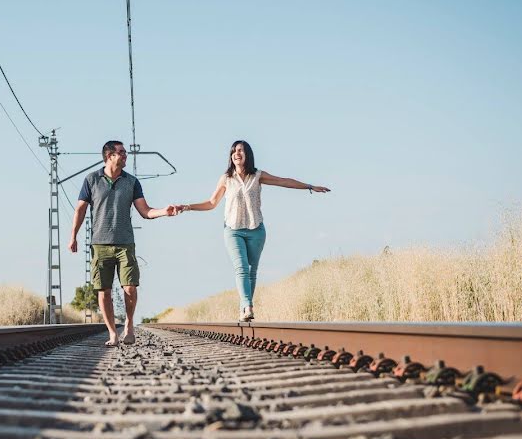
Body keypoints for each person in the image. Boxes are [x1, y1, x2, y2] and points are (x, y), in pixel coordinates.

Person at [175, 140, 330, 321]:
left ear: (247, 154)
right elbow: (211, 203)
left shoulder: (257, 176)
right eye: (234, 151)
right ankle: (248, 306)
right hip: (233, 230)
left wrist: (309, 186)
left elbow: (283, 181)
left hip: (256, 229)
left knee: (251, 271)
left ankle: (244, 307)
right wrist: (187, 207)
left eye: (240, 150)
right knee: (241, 268)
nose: (236, 153)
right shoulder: (226, 178)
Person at [68, 140, 179, 346]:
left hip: (125, 244)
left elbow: (145, 211)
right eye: (121, 152)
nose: (125, 155)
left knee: (130, 288)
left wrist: (164, 211)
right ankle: (112, 333)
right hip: (100, 245)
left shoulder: (132, 182)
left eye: (125, 152)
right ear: (109, 156)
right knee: (104, 291)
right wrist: (73, 236)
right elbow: (80, 210)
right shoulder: (91, 180)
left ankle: (129, 325)